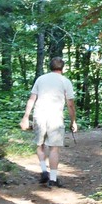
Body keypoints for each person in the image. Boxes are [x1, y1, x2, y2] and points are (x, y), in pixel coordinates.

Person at [20, 56, 77, 188]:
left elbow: (32, 99)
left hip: (39, 115)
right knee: (54, 148)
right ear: (62, 68)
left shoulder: (41, 79)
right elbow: (70, 104)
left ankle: (44, 170)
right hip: (55, 117)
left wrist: (25, 117)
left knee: (40, 145)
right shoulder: (65, 81)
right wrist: (73, 121)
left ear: (50, 67)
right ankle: (53, 179)